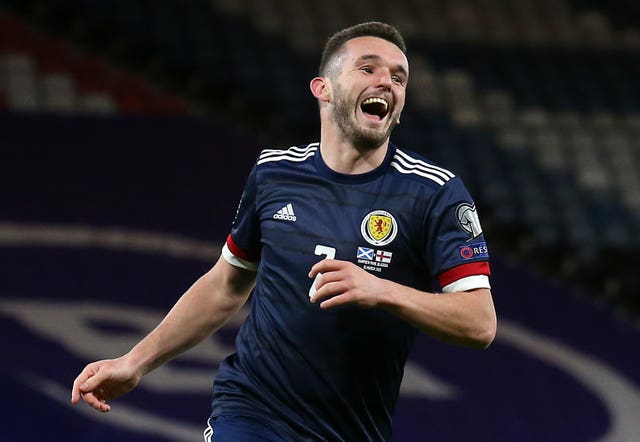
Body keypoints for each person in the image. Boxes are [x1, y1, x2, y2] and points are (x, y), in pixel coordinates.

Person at [71, 21, 497, 441]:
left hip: (351, 428)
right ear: (323, 88)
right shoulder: (274, 173)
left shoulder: (434, 193)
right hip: (252, 412)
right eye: (368, 69)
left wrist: (381, 290)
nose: (387, 82)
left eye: (398, 77)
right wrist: (136, 361)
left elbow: (479, 324)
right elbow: (227, 284)